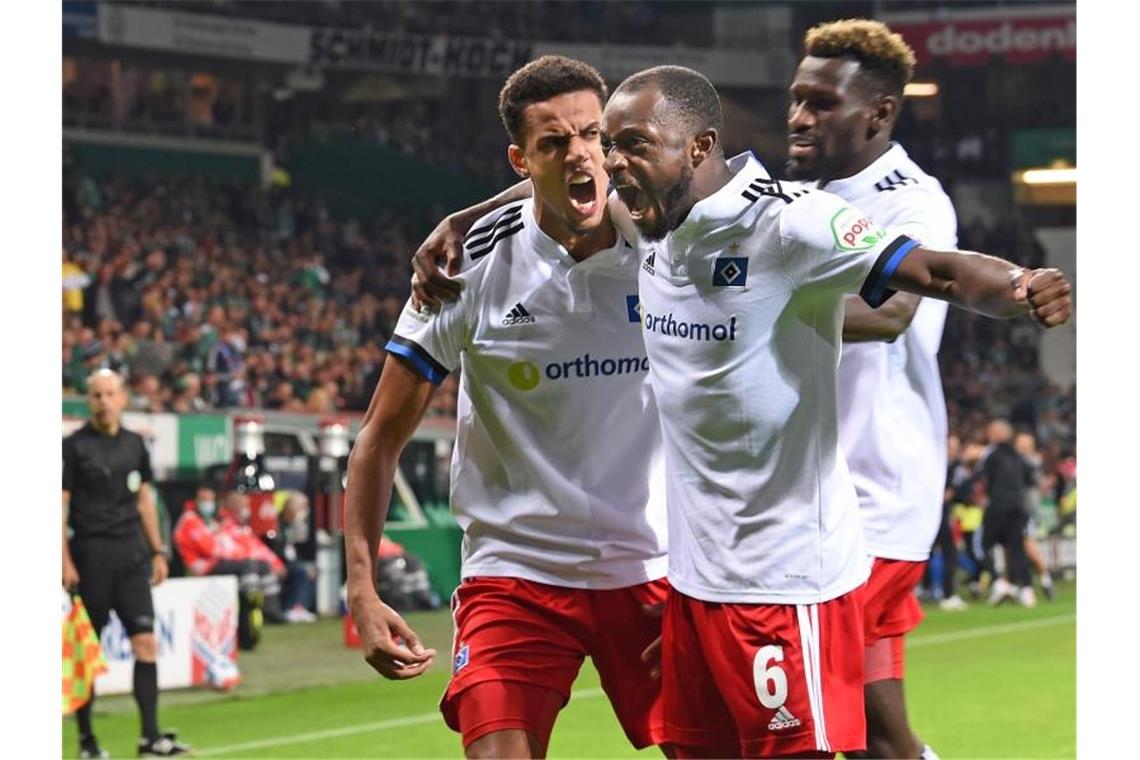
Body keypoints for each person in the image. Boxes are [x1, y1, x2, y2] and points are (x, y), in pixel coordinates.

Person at [413, 63, 1070, 758]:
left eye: (630, 145)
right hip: (692, 591)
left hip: (787, 582)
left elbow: (933, 270)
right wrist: (462, 217)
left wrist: (1022, 285)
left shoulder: (788, 224)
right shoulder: (651, 225)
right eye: (610, 146)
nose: (610, 164)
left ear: (696, 148)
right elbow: (553, 182)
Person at [344, 56, 671, 759]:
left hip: (653, 565)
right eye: (554, 144)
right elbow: (378, 438)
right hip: (515, 573)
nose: (580, 155)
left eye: (591, 135)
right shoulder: (464, 267)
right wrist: (362, 589)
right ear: (521, 160)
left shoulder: (668, 245)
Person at [783, 19, 958, 758]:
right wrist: (469, 218)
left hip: (872, 496)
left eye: (822, 103)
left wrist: (747, 310)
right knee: (876, 730)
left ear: (879, 113)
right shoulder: (792, 193)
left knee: (807, 713)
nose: (799, 116)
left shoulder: (909, 201)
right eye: (796, 98)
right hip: (824, 494)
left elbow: (892, 313)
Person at [62, 369, 190, 758]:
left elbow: (144, 502)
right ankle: (87, 742)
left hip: (132, 556)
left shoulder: (136, 444)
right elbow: (60, 506)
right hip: (91, 555)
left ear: (122, 398)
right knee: (88, 654)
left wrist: (157, 550)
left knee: (146, 643)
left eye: (110, 393)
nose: (104, 401)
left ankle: (149, 738)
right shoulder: (74, 447)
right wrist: (64, 560)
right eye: (97, 394)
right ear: (90, 400)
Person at [978, 419, 1039, 606]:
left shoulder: (992, 455)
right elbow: (1031, 480)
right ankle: (1027, 590)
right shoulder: (1019, 457)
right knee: (1016, 549)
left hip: (997, 506)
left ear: (996, 434)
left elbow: (983, 480)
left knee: (982, 545)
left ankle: (1000, 582)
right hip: (1018, 508)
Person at [1014, 430, 1056, 601]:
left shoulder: (1031, 462)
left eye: (1024, 443)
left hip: (1026, 510)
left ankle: (1044, 579)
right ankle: (1025, 584)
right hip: (1016, 509)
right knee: (1017, 548)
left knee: (1028, 545)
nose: (1021, 446)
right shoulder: (1022, 461)